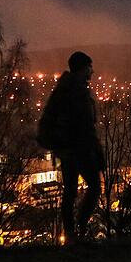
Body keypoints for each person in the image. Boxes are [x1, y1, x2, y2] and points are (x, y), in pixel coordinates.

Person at [38, 51, 105, 244]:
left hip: (66, 148)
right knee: (93, 187)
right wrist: (96, 149)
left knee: (70, 191)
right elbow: (85, 124)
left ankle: (70, 234)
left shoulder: (63, 89)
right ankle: (80, 228)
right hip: (79, 148)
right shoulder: (78, 91)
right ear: (83, 68)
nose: (92, 72)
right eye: (90, 67)